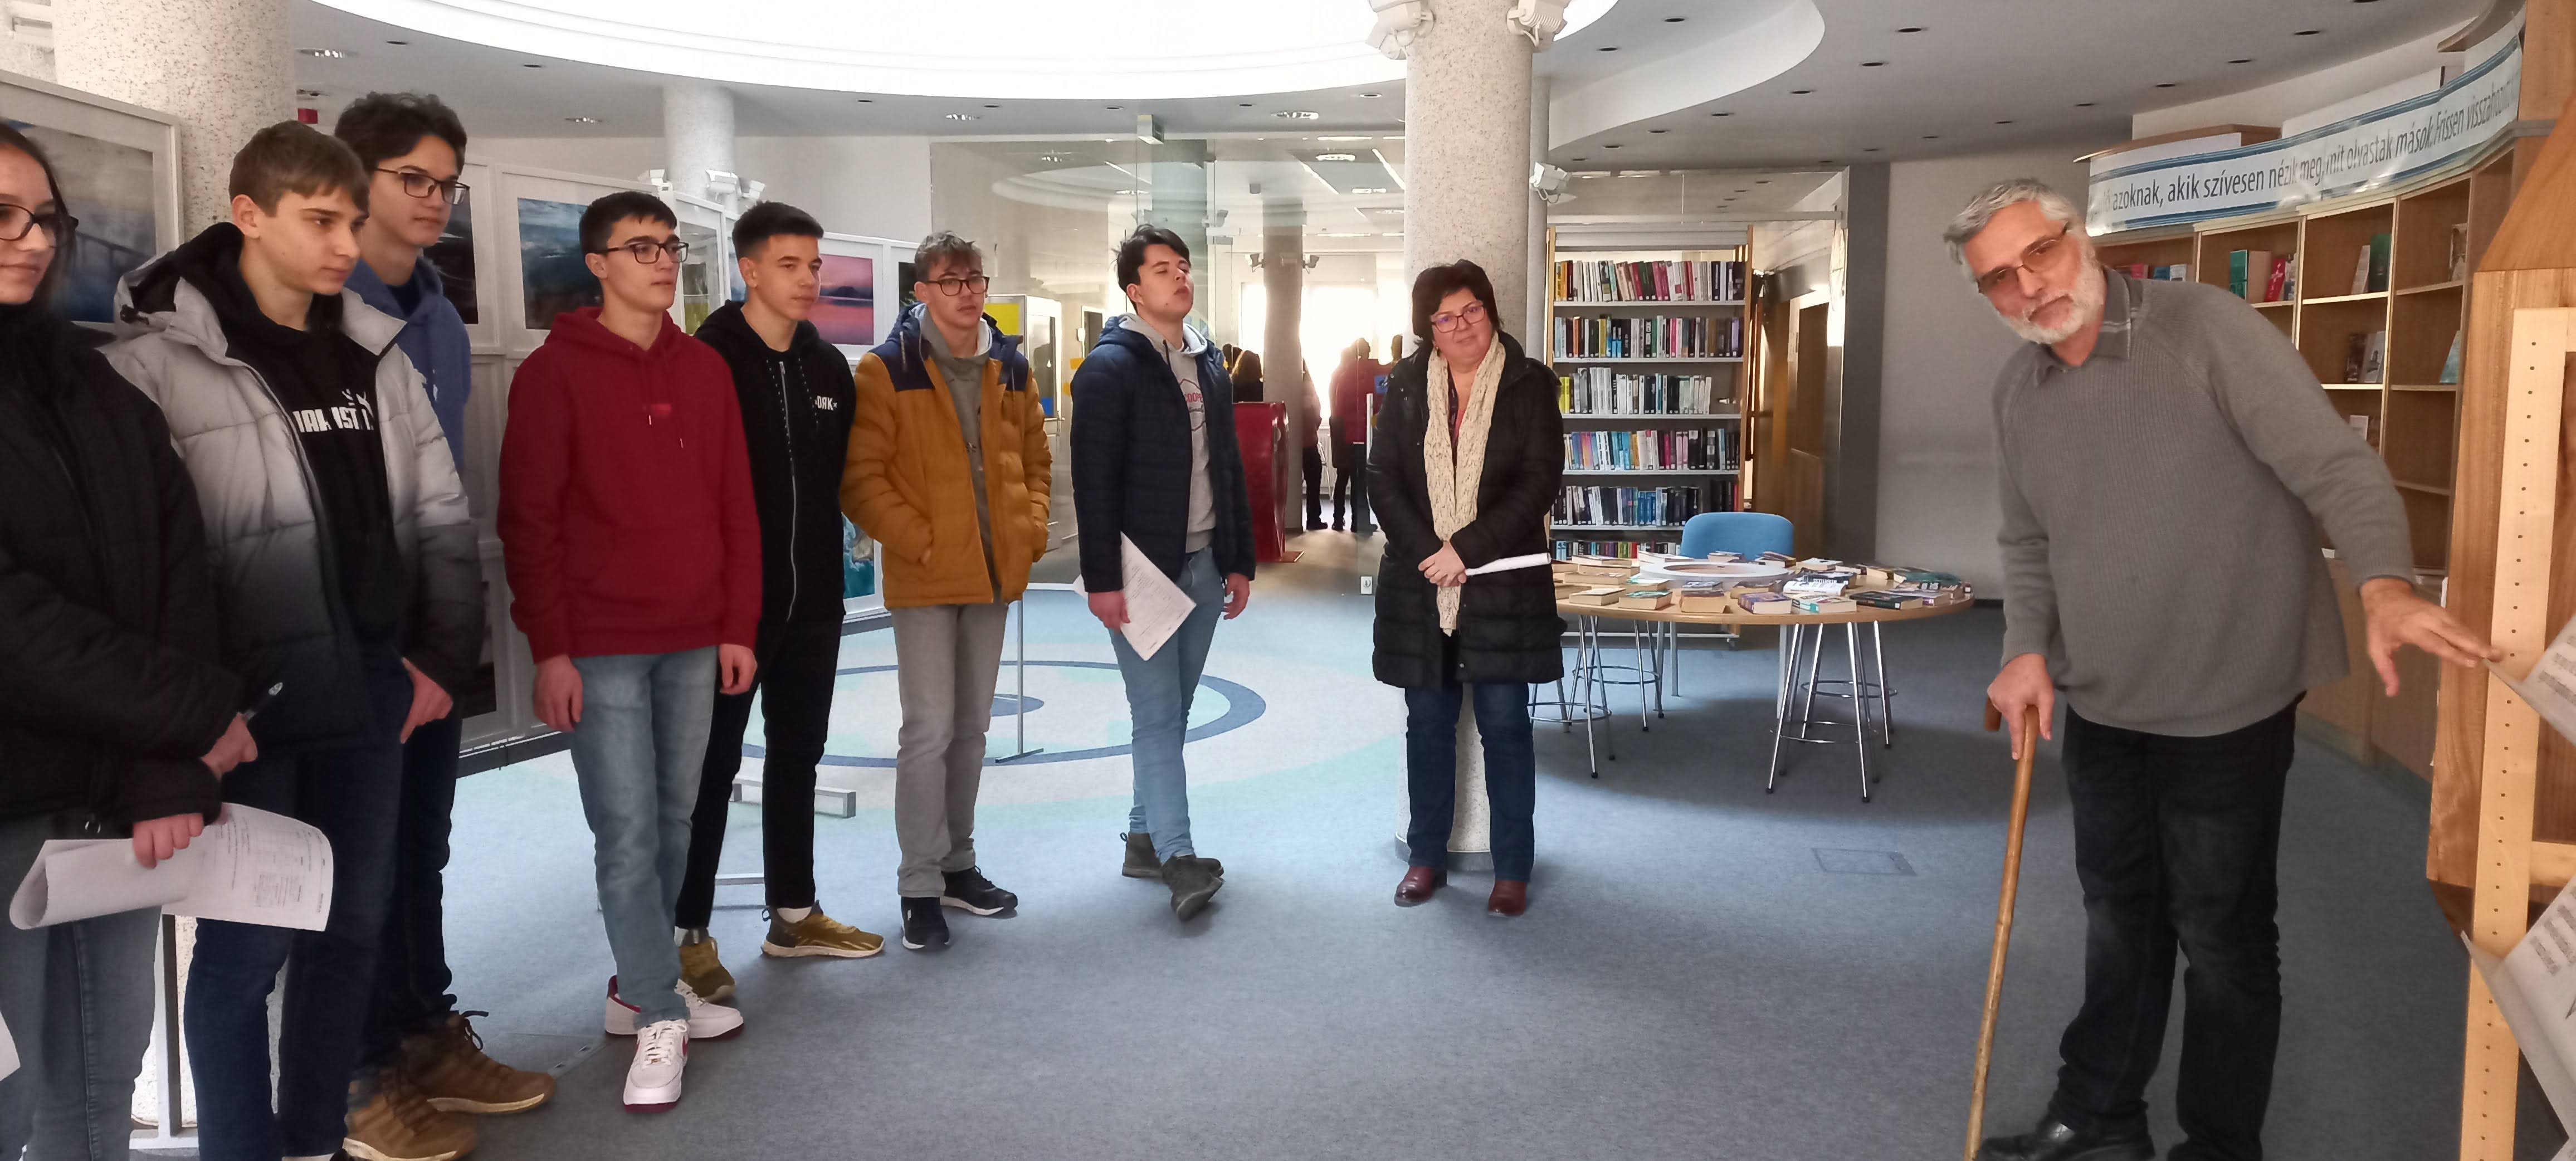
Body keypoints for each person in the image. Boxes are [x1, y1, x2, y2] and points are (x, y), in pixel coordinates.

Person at [1958, 178, 2500, 1161]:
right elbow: (2027, 542)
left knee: (2220, 934)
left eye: (2039, 252)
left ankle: (2219, 1144)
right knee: (2117, 916)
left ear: (2080, 238)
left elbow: (2334, 464)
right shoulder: (2016, 392)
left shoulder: (2203, 328)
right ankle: (2101, 1116)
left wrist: (2382, 582)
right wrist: (2022, 648)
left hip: (2228, 694)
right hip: (2103, 698)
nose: (2028, 285)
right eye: (1998, 277)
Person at [107, 121, 481, 1161]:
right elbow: (144, 569)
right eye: (320, 221)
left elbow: (440, 514)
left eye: (352, 221)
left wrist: (440, 659)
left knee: (350, 927)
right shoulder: (154, 365)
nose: (344, 245)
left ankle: (316, 1138)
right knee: (245, 956)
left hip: (366, 696)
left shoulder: (371, 349)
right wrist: (188, 714)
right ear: (249, 215)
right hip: (243, 714)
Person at [0, 123, 257, 1161]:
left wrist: (170, 762)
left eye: (44, 219)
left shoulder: (89, 378)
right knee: (6, 1100)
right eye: (2, 217)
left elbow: (179, 573)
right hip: (11, 800)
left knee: (103, 1079)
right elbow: (15, 626)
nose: (31, 240)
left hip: (110, 794)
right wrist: (194, 713)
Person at [497, 190, 761, 1113]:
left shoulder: (704, 370)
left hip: (694, 635)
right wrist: (551, 649)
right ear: (597, 264)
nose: (661, 261)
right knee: (627, 831)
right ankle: (656, 1006)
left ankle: (637, 985)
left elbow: (736, 504)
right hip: (601, 643)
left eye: (670, 245)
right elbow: (529, 522)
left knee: (677, 820)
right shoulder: (552, 375)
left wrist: (737, 624)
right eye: (640, 246)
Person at [333, 91, 557, 1155]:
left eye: (446, 184)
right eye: (412, 179)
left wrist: (444, 631)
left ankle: (424, 1030)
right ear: (354, 180)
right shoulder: (319, 309)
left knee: (422, 846)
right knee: (358, 865)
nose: (434, 200)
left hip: (431, 625)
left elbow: (443, 490)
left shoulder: (434, 308)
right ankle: (357, 1072)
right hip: (349, 637)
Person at [669, 201, 880, 987]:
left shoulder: (827, 366)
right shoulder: (706, 360)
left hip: (814, 601)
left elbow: (835, 481)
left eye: (814, 265)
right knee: (710, 768)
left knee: (799, 755)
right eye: (789, 265)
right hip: (731, 610)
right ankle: (687, 930)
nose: (807, 279)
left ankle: (794, 913)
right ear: (749, 270)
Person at [842, 230, 1047, 951]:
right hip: (927, 577)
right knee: (927, 731)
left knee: (972, 729)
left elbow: (1037, 458)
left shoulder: (1011, 367)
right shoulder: (887, 368)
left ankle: (959, 865)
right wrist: (923, 540)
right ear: (922, 291)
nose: (967, 292)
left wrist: (1030, 527)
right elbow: (861, 479)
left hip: (994, 574)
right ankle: (918, 884)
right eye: (951, 281)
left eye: (975, 279)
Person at [1070, 225, 1255, 921]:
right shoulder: (1108, 370)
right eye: (1161, 269)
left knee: (1173, 710)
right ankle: (1179, 858)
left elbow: (1227, 468)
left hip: (1204, 564)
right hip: (1140, 570)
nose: (1179, 277)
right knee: (1154, 716)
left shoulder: (1208, 364)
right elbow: (1093, 485)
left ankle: (1143, 839)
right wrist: (1102, 580)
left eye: (1183, 266)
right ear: (1133, 290)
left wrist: (1239, 558)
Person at [1370, 261, 1562, 919]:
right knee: (1427, 722)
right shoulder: (1404, 385)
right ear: (1428, 327)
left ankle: (1511, 866)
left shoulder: (1529, 383)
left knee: (1505, 723)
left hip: (1502, 583)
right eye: (1445, 317)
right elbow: (1382, 478)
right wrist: (1432, 554)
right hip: (1422, 584)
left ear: (1491, 309)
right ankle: (1425, 856)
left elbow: (1538, 482)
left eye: (1472, 310)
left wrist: (1466, 551)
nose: (1461, 326)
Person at [1328, 338, 1382, 530]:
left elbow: (1338, 405)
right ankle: (1360, 521)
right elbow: (1378, 402)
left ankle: (1338, 519)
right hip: (1360, 433)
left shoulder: (1341, 374)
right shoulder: (1369, 374)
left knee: (1343, 476)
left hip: (1342, 432)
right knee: (1360, 480)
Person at [1299, 362, 1325, 530]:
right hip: (1308, 440)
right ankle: (1313, 518)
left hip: (1290, 441)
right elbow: (1317, 411)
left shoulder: (1280, 384)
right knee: (1314, 480)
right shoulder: (1308, 388)